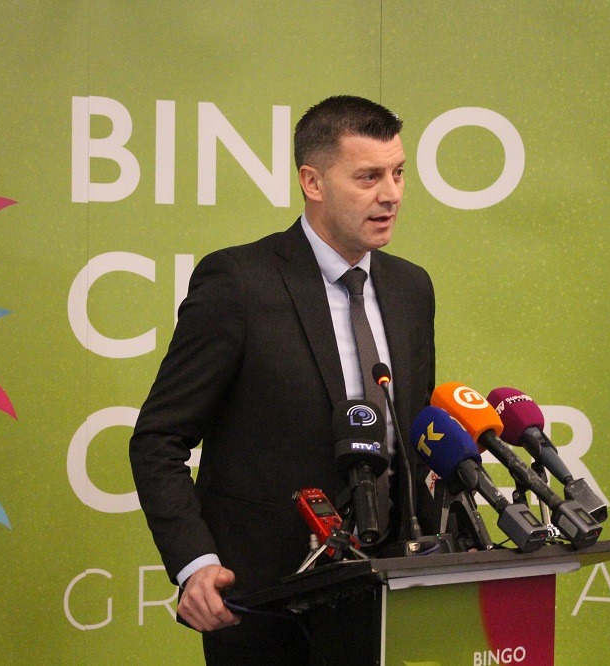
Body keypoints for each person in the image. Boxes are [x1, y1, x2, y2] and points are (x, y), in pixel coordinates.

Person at [129, 95, 438, 665]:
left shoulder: (411, 288)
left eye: (398, 173)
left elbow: (414, 435)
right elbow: (158, 440)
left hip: (390, 598)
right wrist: (195, 563)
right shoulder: (239, 283)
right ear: (312, 181)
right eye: (368, 177)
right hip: (265, 605)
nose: (391, 194)